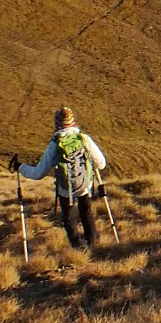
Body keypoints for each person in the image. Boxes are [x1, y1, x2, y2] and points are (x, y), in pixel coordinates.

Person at [8, 106, 108, 248]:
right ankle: (94, 243)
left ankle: (79, 247)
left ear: (56, 123)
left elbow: (39, 173)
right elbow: (102, 163)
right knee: (86, 213)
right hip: (85, 184)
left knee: (68, 218)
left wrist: (20, 167)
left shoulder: (55, 144)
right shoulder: (83, 139)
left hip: (65, 188)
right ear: (72, 121)